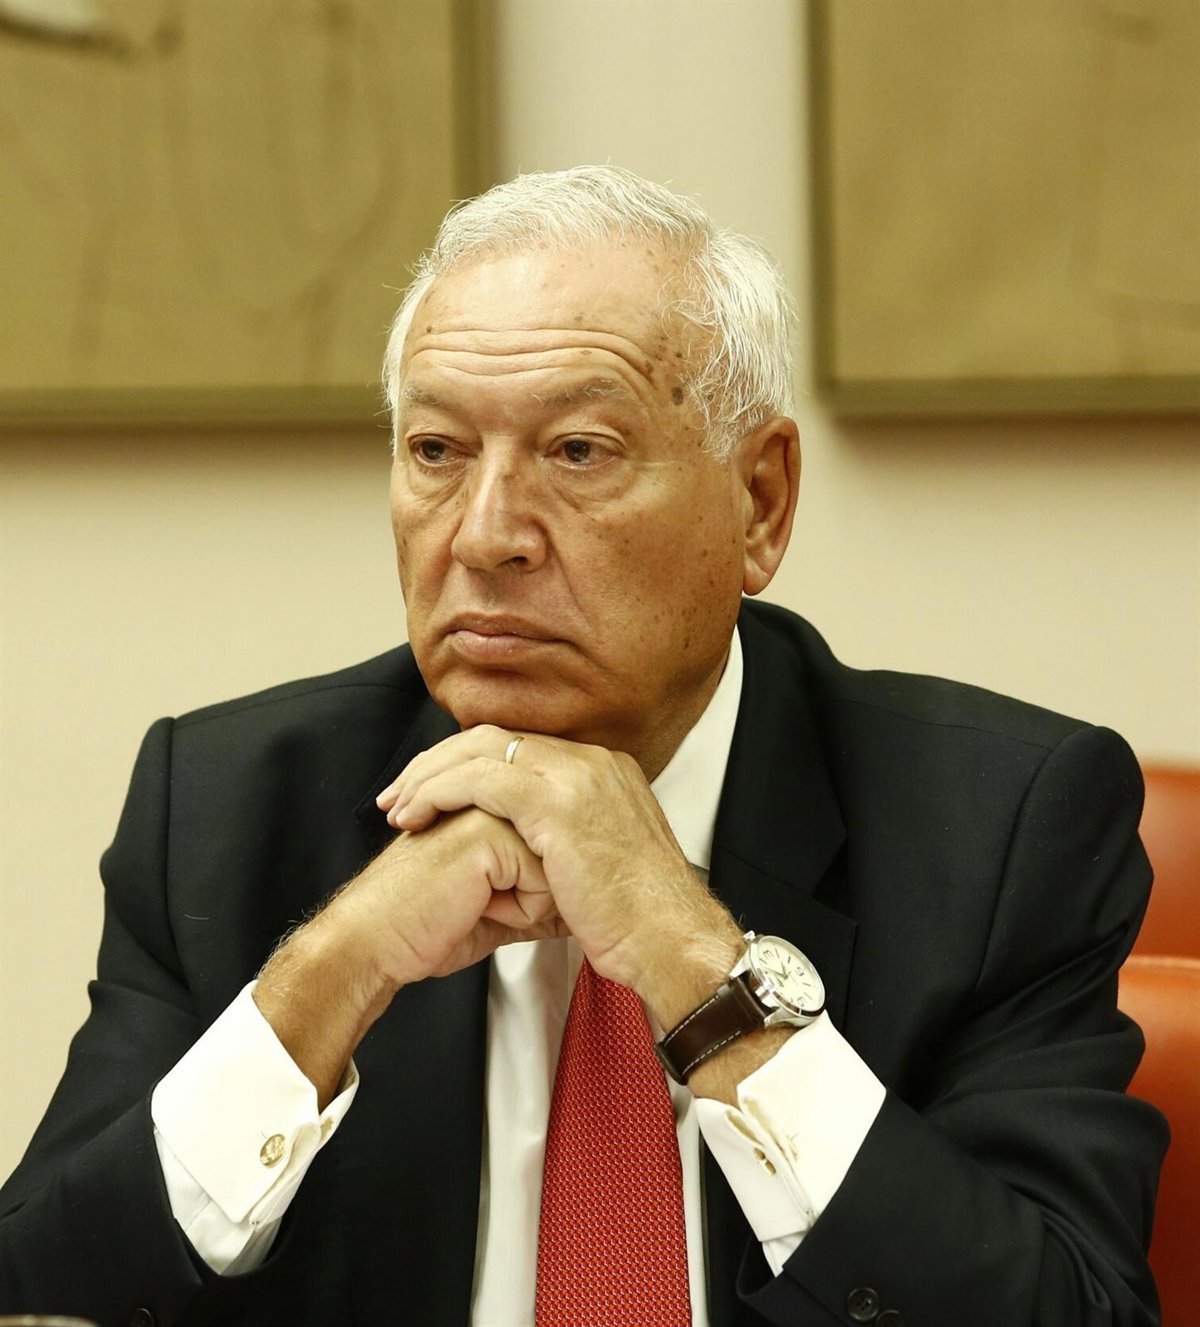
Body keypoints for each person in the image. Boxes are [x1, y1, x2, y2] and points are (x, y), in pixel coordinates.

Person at [0, 166, 1165, 1327]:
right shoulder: (222, 807)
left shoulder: (1000, 826)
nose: (486, 535)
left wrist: (700, 969)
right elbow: (45, 1288)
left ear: (759, 504)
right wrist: (328, 976)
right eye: (437, 451)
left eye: (578, 451)